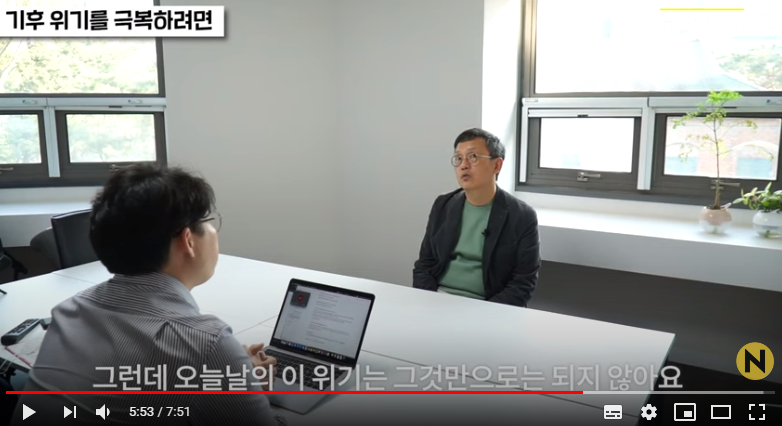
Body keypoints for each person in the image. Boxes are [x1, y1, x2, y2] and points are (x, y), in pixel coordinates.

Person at [12, 164, 285, 426]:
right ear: (188, 240)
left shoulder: (69, 311)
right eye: (207, 221)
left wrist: (234, 376)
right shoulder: (205, 343)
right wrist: (250, 385)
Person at [413, 128, 541, 307]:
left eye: (473, 157)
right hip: (438, 299)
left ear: (496, 165)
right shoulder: (443, 205)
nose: (463, 165)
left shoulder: (522, 216)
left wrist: (484, 313)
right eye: (458, 158)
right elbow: (424, 265)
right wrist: (428, 301)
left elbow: (522, 284)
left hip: (487, 306)